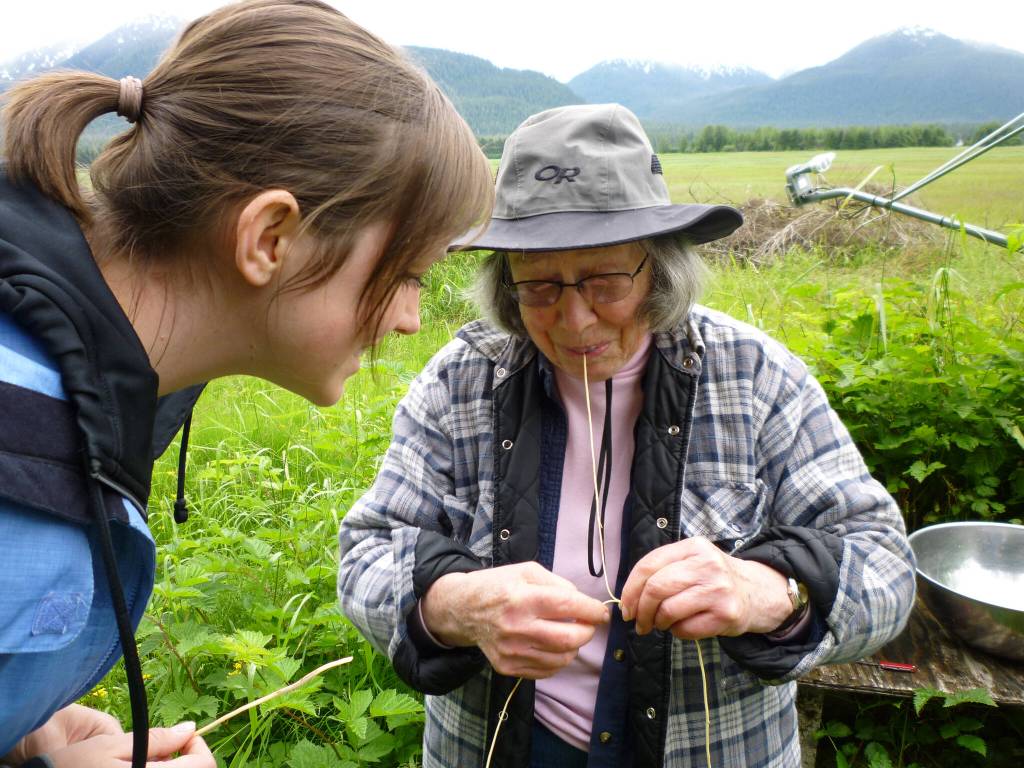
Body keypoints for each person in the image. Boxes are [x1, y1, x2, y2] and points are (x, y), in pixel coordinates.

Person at [337, 103, 916, 768]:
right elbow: (367, 552)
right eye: (541, 287)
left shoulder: (753, 377)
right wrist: (452, 604)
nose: (575, 317)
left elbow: (885, 567)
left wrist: (767, 592)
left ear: (660, 269)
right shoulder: (465, 380)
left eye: (606, 281)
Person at [0, 1, 492, 766]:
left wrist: (30, 733)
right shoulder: (15, 440)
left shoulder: (71, 381)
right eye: (407, 275)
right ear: (270, 237)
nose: (408, 318)